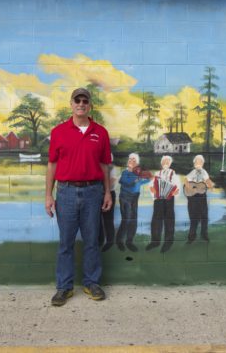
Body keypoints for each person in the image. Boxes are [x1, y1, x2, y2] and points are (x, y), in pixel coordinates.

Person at [45, 87, 112, 307]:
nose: (81, 104)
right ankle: (64, 287)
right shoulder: (59, 132)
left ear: (89, 105)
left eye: (85, 100)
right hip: (65, 193)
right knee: (66, 242)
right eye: (77, 100)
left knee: (92, 240)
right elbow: (52, 164)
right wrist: (48, 194)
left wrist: (107, 192)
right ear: (71, 104)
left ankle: (91, 282)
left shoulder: (100, 132)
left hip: (93, 192)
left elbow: (104, 165)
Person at [116, 152, 150, 252]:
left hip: (135, 198)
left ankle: (129, 242)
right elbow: (124, 182)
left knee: (133, 220)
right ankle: (119, 241)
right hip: (125, 198)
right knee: (126, 219)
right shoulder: (125, 173)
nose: (131, 161)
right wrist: (136, 179)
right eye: (130, 159)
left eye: (134, 160)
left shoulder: (137, 173)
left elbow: (143, 181)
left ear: (137, 163)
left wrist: (147, 178)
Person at [146, 155, 178, 253]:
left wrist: (174, 192)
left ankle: (168, 242)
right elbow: (151, 185)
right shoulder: (157, 173)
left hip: (169, 199)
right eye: (164, 161)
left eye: (167, 162)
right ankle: (155, 241)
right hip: (158, 199)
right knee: (156, 220)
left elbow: (177, 187)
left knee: (169, 220)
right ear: (161, 163)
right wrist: (153, 190)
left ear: (170, 163)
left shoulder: (173, 173)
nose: (165, 163)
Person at [184, 154, 214, 244]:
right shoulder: (192, 172)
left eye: (200, 162)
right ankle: (191, 237)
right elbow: (185, 180)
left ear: (203, 163)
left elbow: (208, 181)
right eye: (197, 162)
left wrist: (210, 185)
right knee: (193, 218)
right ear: (194, 163)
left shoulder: (204, 172)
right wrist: (189, 188)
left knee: (204, 217)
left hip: (201, 197)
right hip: (192, 198)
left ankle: (204, 235)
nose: (198, 163)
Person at [99, 155, 118, 252]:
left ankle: (110, 241)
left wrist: (104, 189)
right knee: (98, 219)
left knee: (108, 219)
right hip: (98, 195)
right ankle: (100, 240)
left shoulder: (112, 167)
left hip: (109, 194)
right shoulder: (98, 166)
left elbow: (113, 180)